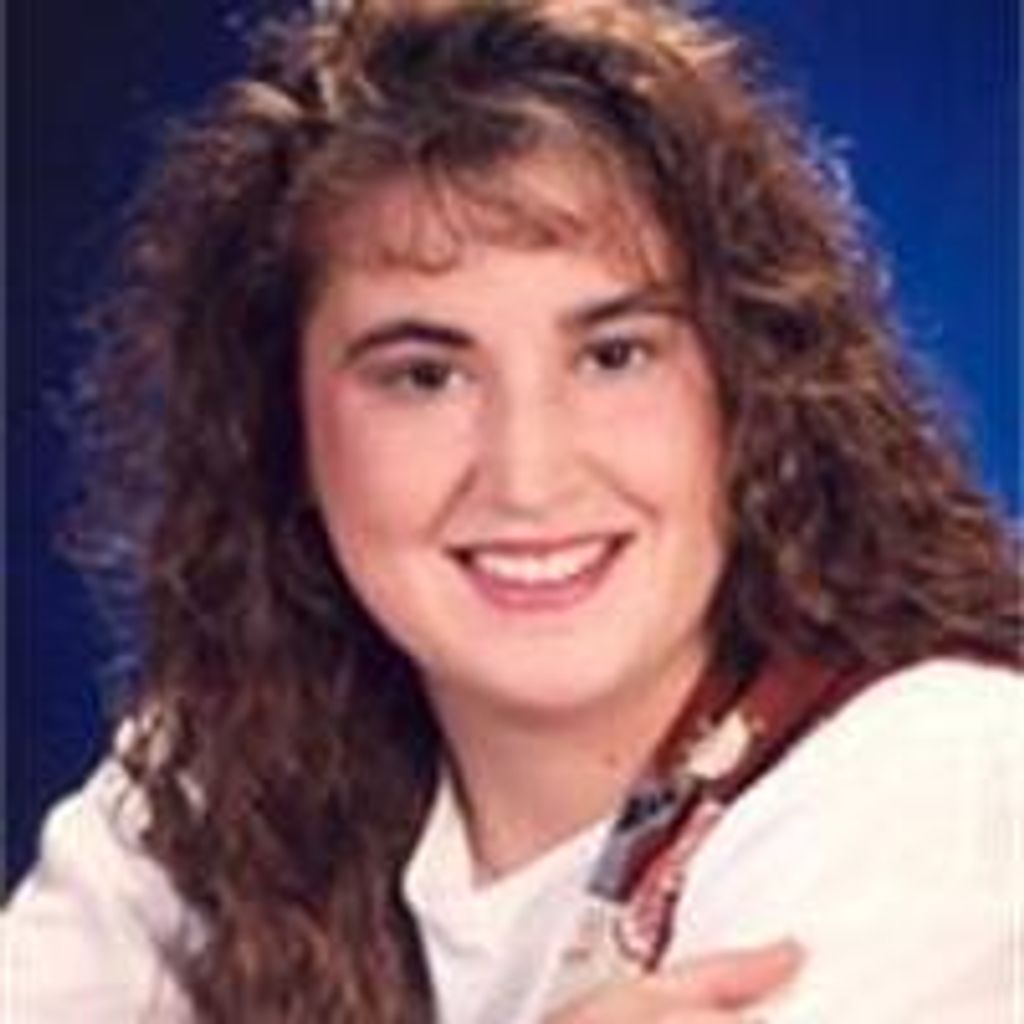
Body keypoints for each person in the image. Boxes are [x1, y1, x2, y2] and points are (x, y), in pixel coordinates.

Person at [5, 0, 1021, 1021]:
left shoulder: (934, 777)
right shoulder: (224, 782)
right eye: (424, 375)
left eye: (614, 355)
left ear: (751, 389)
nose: (527, 477)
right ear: (282, 426)